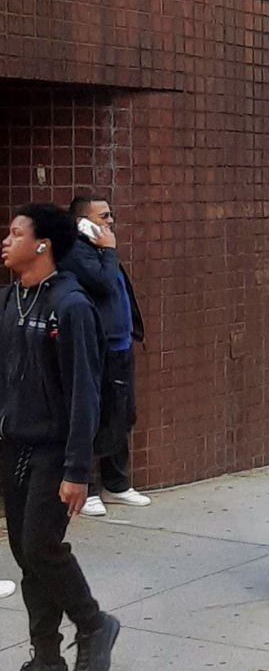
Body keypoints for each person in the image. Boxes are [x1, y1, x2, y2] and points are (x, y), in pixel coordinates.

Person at [0, 203, 120, 671]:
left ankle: (94, 623)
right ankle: (47, 661)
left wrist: (77, 469)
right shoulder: (10, 300)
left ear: (43, 245)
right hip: (15, 445)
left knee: (42, 546)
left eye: (15, 232)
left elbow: (84, 392)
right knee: (28, 554)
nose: (6, 240)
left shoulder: (70, 306)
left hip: (54, 449)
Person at [63, 194, 148, 516]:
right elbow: (101, 285)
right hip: (98, 347)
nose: (110, 222)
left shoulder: (101, 250)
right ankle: (89, 485)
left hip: (120, 344)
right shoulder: (77, 251)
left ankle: (118, 482)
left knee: (120, 414)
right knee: (94, 415)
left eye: (110, 216)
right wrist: (108, 249)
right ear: (81, 222)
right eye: (103, 217)